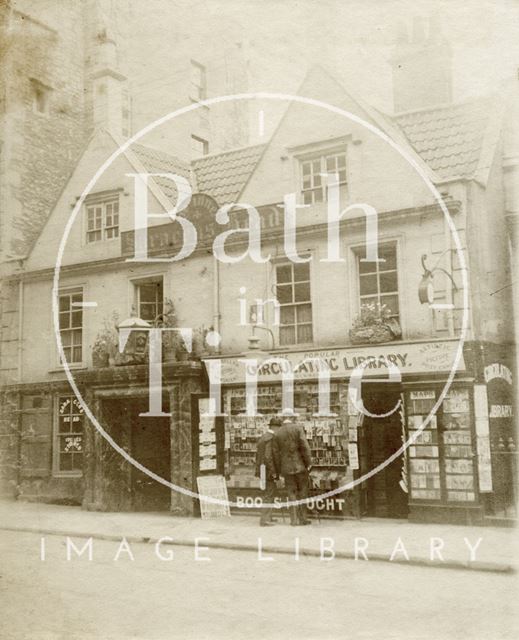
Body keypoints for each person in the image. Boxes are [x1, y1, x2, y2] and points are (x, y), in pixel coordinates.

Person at [272, 414, 312, 526]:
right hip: (300, 466)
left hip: (286, 468)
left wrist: (279, 469)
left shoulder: (278, 433)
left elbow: (275, 454)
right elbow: (305, 447)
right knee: (302, 492)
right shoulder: (298, 428)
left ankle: (294, 520)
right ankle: (303, 518)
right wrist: (308, 463)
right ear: (292, 418)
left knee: (291, 493)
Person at [255, 416, 282, 527]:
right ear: (275, 427)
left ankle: (269, 517)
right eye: (279, 428)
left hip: (263, 470)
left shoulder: (264, 437)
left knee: (269, 493)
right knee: (268, 494)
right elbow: (268, 457)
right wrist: (274, 472)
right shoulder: (271, 438)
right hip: (268, 471)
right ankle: (265, 520)